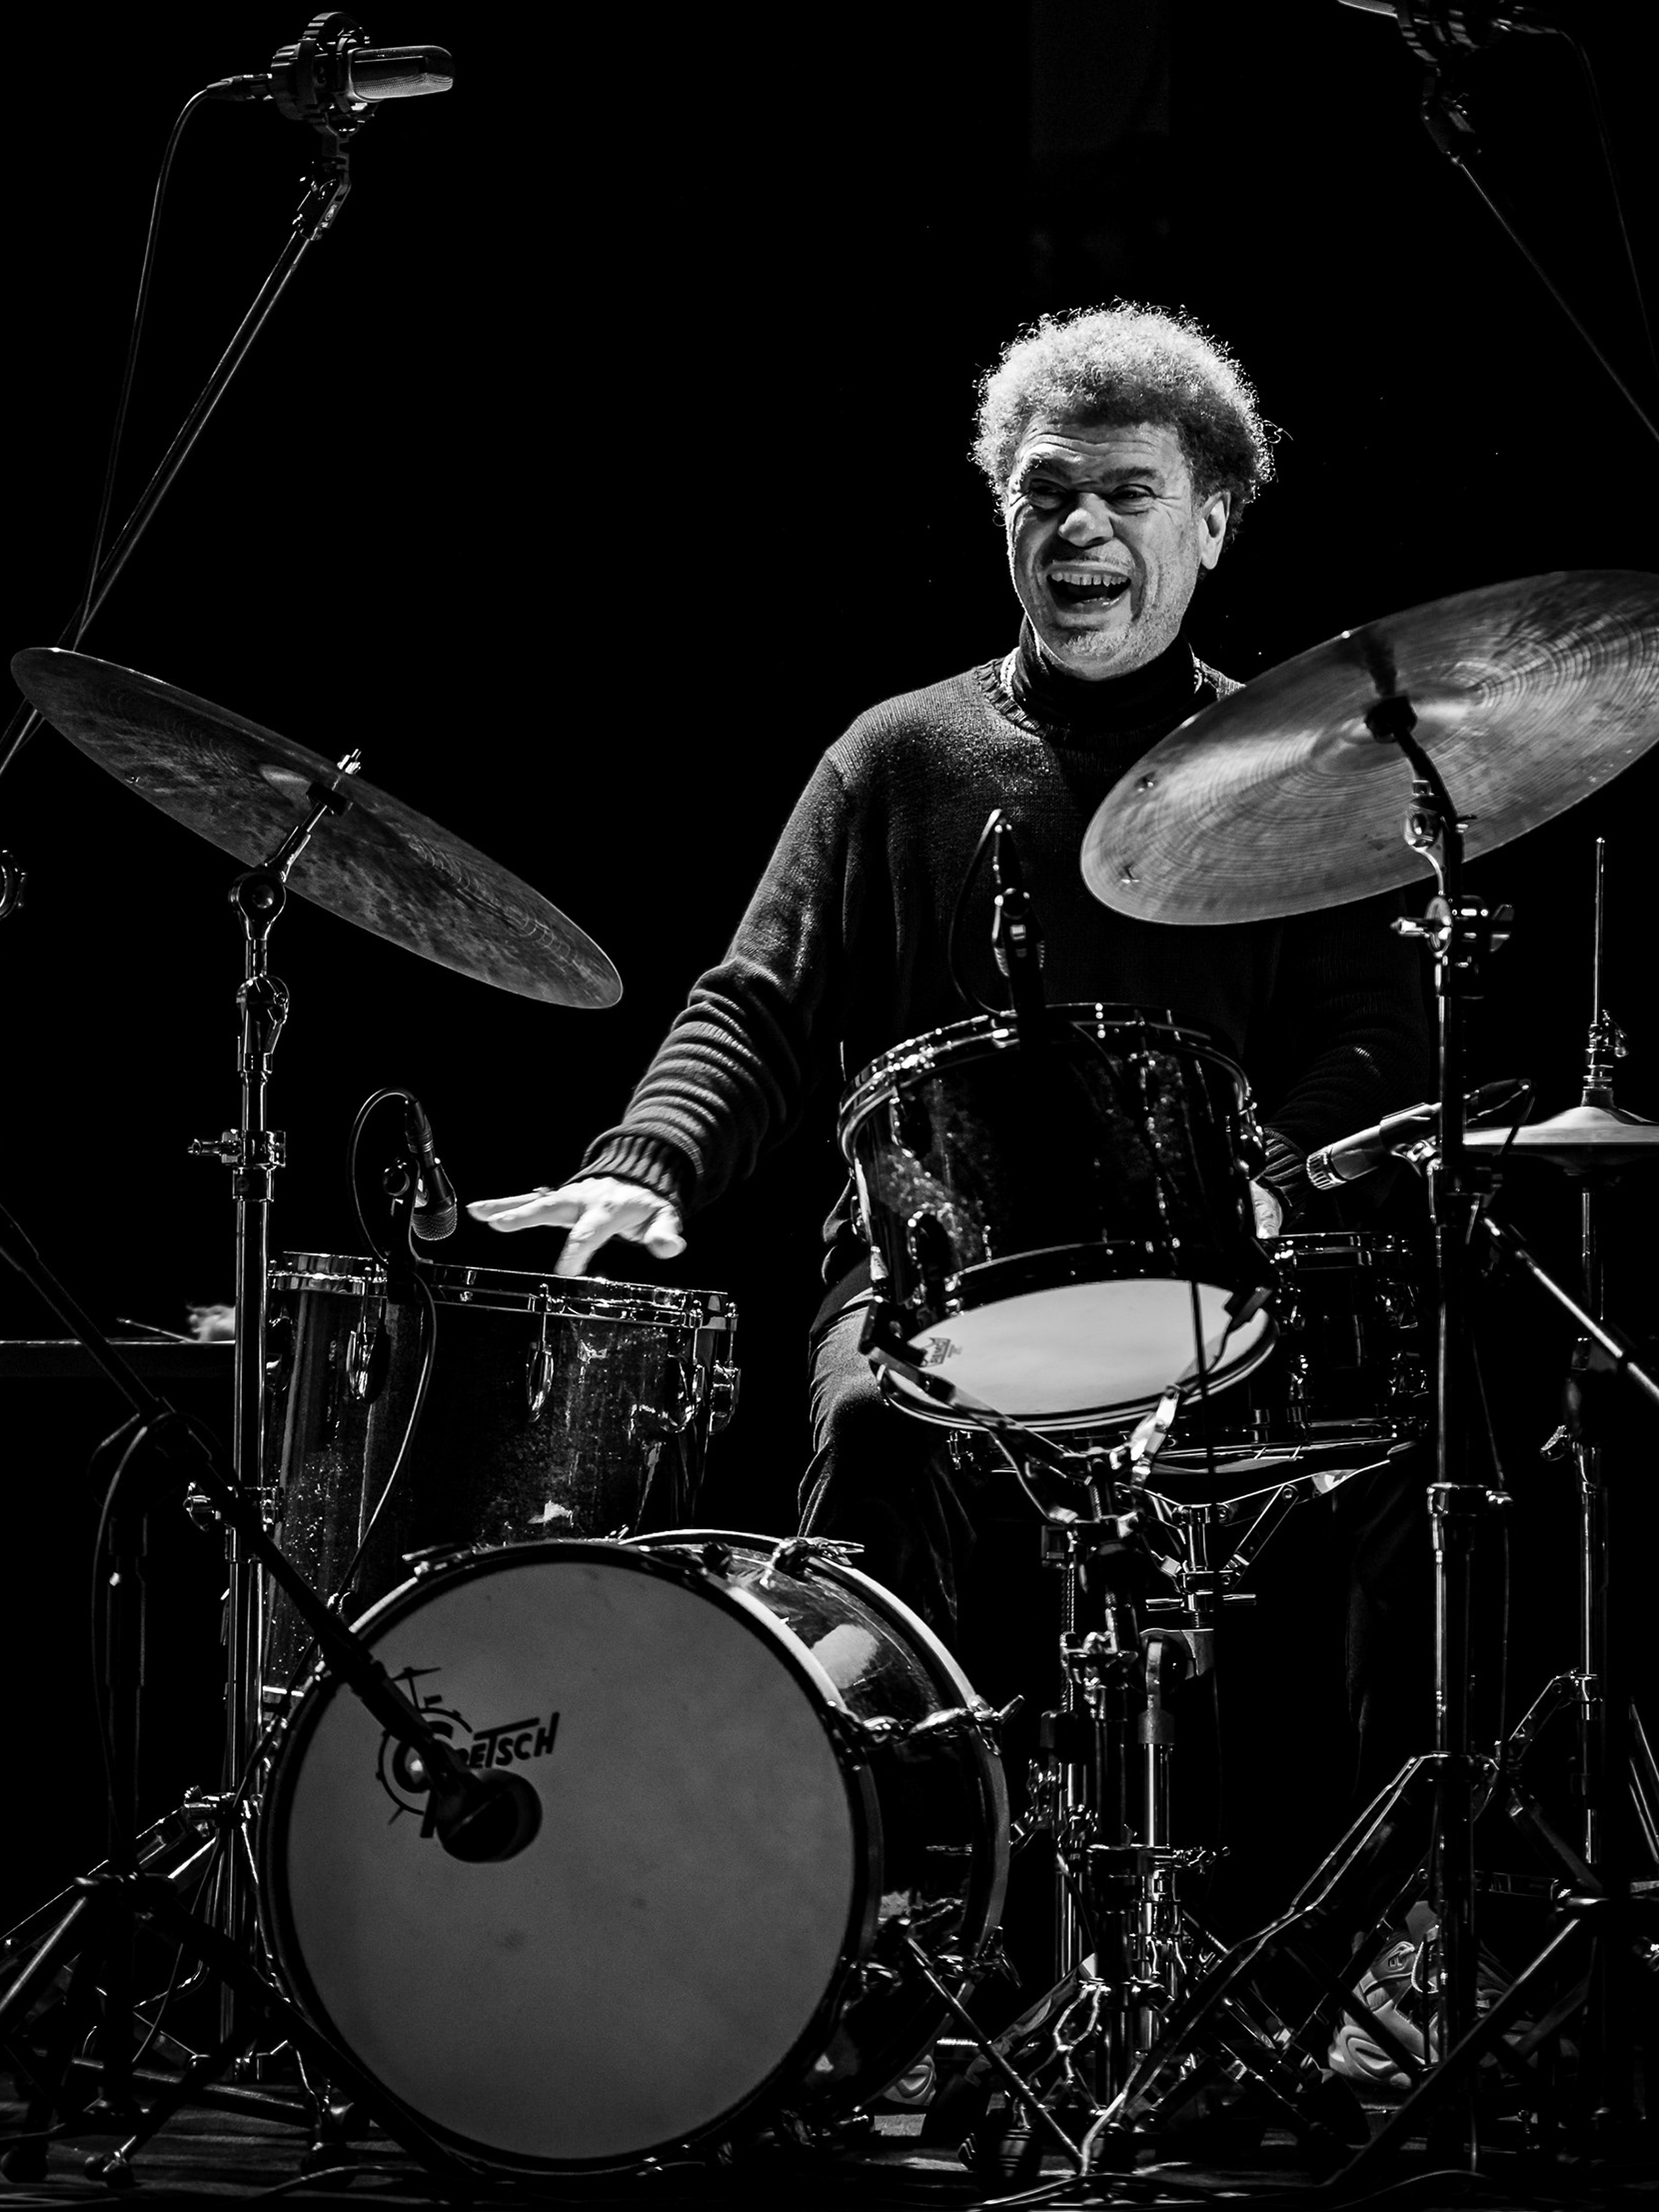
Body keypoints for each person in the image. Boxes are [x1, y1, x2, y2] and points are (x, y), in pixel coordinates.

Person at [471, 303, 1430, 1797]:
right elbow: (758, 1003)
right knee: (873, 1440)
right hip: (932, 1273)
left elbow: (1376, 1040)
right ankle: (877, 1898)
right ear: (1004, 514)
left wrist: (1271, 1184)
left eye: (1128, 493)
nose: (1081, 526)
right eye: (1045, 491)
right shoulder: (898, 755)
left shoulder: (1288, 766)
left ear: (1217, 523)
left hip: (1222, 1261)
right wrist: (646, 1160)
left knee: (1423, 1478)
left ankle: (1395, 1925)